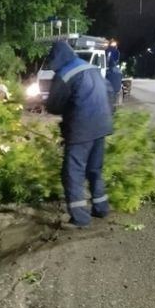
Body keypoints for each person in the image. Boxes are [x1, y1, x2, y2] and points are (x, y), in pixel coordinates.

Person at [46, 41, 113, 227]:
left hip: (81, 129)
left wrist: (67, 113)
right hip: (102, 125)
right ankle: (101, 208)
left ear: (57, 58)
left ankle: (80, 219)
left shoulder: (65, 74)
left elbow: (53, 105)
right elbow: (110, 91)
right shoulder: (91, 67)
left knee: (72, 172)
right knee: (95, 169)